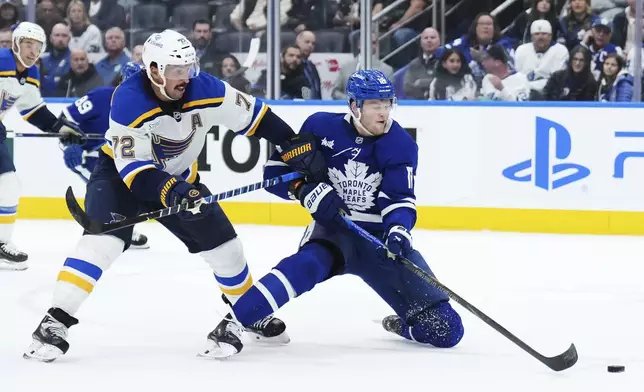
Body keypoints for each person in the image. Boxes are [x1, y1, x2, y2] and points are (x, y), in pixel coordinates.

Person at [23, 29, 329, 363]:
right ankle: (55, 321)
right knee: (102, 244)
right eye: (176, 71)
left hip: (181, 179)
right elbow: (136, 174)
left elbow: (256, 116)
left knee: (227, 248)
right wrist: (172, 190)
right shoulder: (129, 101)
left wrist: (291, 142)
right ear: (154, 70)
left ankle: (247, 312)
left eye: (188, 68)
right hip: (120, 178)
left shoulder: (206, 89)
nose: (186, 77)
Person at [203, 69, 464, 359]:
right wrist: (302, 189)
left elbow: (399, 198)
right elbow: (275, 172)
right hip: (334, 233)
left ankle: (401, 325)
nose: (383, 113)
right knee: (305, 266)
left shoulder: (400, 143)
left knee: (447, 330)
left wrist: (399, 230)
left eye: (387, 104)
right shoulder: (320, 126)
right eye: (375, 105)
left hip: (379, 243)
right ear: (354, 106)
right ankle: (233, 324)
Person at [0, 22, 84, 270]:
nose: (32, 51)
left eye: (38, 47)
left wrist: (60, 128)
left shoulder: (31, 74)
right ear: (15, 44)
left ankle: (2, 242)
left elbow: (33, 111)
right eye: (28, 44)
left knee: (9, 186)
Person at [61, 62, 150, 249]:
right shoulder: (100, 96)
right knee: (105, 188)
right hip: (85, 154)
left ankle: (118, 226)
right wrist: (70, 144)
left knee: (127, 189)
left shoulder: (146, 105)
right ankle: (102, 227)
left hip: (118, 155)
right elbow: (65, 117)